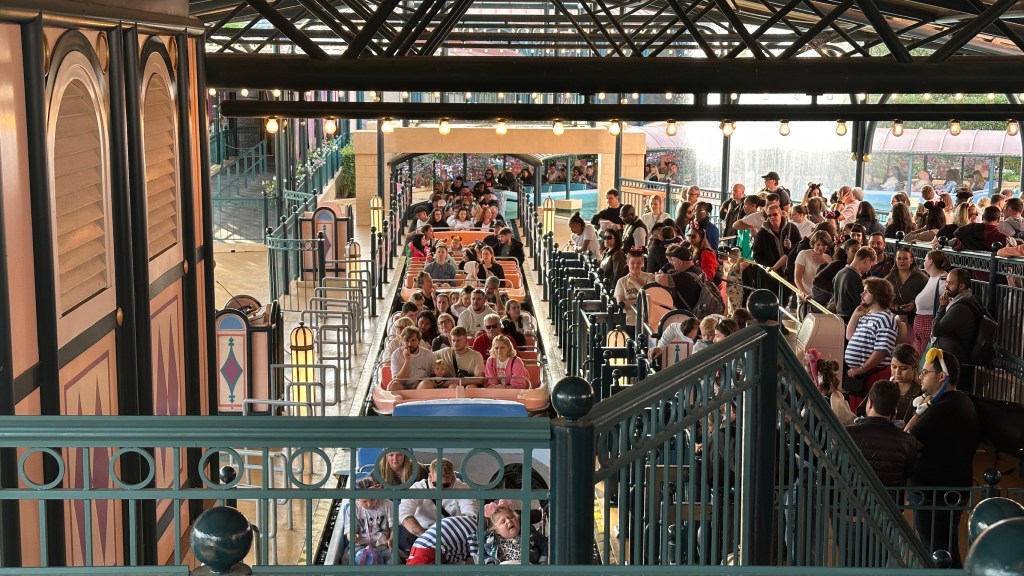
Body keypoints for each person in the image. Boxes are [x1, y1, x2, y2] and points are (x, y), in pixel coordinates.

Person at [904, 349, 980, 568]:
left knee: (938, 554)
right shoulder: (961, 401)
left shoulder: (941, 410)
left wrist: (921, 409)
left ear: (941, 376)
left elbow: (907, 442)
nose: (920, 376)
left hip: (935, 497)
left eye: (925, 372)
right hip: (949, 492)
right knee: (945, 549)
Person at [399, 458, 477, 553]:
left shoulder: (462, 488)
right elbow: (404, 514)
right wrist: (426, 537)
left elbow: (470, 515)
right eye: (436, 484)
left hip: (452, 532)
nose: (440, 490)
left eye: (445, 485)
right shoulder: (418, 488)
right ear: (430, 476)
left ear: (453, 478)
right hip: (423, 532)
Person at [930, 268, 984, 393]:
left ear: (961, 286)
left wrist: (942, 307)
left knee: (951, 396)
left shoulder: (960, 307)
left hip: (957, 362)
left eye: (950, 283)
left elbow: (936, 329)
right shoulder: (969, 299)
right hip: (955, 360)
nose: (946, 286)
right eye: (946, 282)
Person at [335, 477, 393, 565]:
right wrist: (352, 536)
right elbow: (349, 532)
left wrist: (391, 539)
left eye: (372, 499)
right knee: (347, 560)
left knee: (394, 560)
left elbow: (393, 527)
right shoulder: (352, 509)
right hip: (360, 544)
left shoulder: (387, 504)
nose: (369, 504)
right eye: (364, 501)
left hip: (382, 544)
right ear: (358, 499)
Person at [753, 205, 800, 296]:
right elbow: (756, 255)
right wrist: (771, 266)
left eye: (775, 214)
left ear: (781, 214)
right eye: (769, 215)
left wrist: (791, 246)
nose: (772, 217)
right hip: (773, 274)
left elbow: (799, 246)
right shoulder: (762, 233)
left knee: (788, 298)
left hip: (790, 272)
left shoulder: (791, 228)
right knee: (773, 298)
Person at [481, 500, 548, 565]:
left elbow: (544, 545)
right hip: (504, 568)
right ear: (497, 531)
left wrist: (542, 561)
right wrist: (490, 563)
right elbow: (483, 554)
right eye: (503, 521)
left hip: (527, 567)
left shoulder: (529, 532)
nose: (508, 521)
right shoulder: (491, 541)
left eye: (512, 517)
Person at [614, 249, 655, 337]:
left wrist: (635, 282)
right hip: (629, 322)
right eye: (632, 263)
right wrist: (640, 302)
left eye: (638, 263)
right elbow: (621, 304)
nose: (635, 265)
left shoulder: (650, 277)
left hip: (647, 322)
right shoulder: (621, 281)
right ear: (627, 263)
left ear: (642, 263)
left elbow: (650, 299)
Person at [885, 247, 927, 329]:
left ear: (911, 260)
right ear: (895, 260)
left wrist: (914, 305)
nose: (901, 261)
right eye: (899, 258)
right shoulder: (889, 278)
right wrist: (887, 302)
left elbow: (928, 299)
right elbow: (881, 297)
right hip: (891, 319)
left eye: (905, 258)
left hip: (913, 320)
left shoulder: (921, 278)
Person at [830, 247, 874, 323]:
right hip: (851, 321)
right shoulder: (855, 278)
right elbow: (863, 305)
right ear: (867, 260)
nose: (869, 269)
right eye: (871, 265)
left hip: (840, 319)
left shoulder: (840, 273)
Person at [886, 344, 923, 427]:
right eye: (894, 367)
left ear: (915, 367)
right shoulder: (884, 388)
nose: (897, 372)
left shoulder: (921, 395)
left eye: (903, 368)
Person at [794, 231, 832, 299]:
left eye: (824, 245)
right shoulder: (804, 254)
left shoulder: (828, 258)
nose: (821, 247)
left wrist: (825, 262)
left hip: (823, 298)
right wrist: (803, 292)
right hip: (806, 296)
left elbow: (831, 278)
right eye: (818, 244)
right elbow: (797, 278)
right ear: (813, 244)